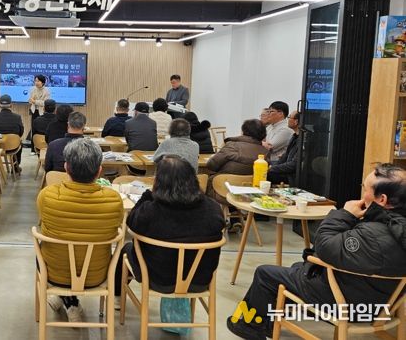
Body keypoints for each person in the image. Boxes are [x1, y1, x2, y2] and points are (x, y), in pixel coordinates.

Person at [227, 163, 406, 340]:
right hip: (385, 301)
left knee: (265, 274)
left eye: (365, 188)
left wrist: (345, 214)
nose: (362, 192)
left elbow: (324, 245)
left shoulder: (373, 235)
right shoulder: (395, 226)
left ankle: (249, 326)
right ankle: (268, 319)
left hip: (352, 305)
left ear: (382, 200)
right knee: (296, 269)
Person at [37, 138, 124, 322]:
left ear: (66, 167)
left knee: (43, 247)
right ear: (99, 171)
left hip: (54, 274)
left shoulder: (47, 195)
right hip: (97, 275)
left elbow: (43, 224)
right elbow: (116, 227)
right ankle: (68, 301)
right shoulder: (114, 200)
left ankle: (65, 298)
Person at [114, 156, 224, 301]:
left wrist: (148, 194)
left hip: (158, 279)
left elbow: (131, 221)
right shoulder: (213, 209)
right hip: (199, 280)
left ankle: (116, 295)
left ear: (158, 183)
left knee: (126, 249)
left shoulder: (151, 211)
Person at [0, 95, 25, 173]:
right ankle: (15, 167)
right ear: (11, 105)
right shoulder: (17, 117)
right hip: (13, 147)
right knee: (19, 142)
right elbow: (20, 132)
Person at [268, 110, 300, 185]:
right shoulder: (295, 136)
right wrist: (270, 166)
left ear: (296, 122)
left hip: (291, 176)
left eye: (289, 117)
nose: (287, 119)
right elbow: (285, 157)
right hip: (286, 170)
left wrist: (271, 168)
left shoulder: (303, 140)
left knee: (266, 174)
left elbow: (293, 165)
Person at [29, 75, 51, 153]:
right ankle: (33, 149)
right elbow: (30, 100)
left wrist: (35, 101)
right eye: (35, 81)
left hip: (42, 112)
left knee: (42, 130)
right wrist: (34, 101)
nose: (36, 82)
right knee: (33, 130)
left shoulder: (47, 91)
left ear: (43, 82)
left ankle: (42, 148)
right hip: (34, 111)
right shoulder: (32, 89)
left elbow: (45, 103)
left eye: (38, 81)